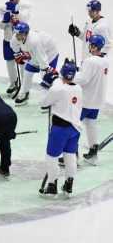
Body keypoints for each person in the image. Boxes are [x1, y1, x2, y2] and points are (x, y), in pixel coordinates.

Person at [39, 59, 81, 198]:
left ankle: (52, 186)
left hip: (60, 129)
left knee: (51, 156)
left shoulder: (57, 89)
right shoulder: (78, 88)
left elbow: (44, 103)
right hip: (75, 128)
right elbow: (63, 86)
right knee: (70, 157)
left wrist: (45, 86)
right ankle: (69, 186)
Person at [73, 35, 109, 165]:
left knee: (74, 126)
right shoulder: (105, 60)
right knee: (90, 124)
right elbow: (90, 75)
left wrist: (71, 73)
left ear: (93, 46)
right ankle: (93, 154)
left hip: (86, 100)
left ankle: (72, 156)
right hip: (97, 100)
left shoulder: (90, 61)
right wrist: (80, 70)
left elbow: (83, 80)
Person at [10, 22, 59, 106]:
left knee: (46, 77)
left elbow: (41, 58)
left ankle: (49, 98)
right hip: (34, 53)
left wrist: (46, 69)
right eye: (16, 33)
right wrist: (18, 55)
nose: (17, 36)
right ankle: (25, 93)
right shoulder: (15, 39)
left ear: (25, 34)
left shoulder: (34, 41)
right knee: (27, 73)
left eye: (19, 34)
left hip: (49, 52)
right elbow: (16, 50)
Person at [0, 0, 32, 96]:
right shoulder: (3, 6)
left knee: (22, 63)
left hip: (20, 40)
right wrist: (5, 20)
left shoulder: (25, 5)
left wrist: (16, 13)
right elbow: (0, 25)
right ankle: (13, 82)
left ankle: (24, 86)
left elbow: (26, 21)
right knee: (9, 62)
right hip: (8, 39)